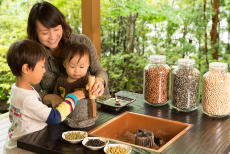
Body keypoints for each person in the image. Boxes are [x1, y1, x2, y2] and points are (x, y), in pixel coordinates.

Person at [3, 39, 85, 154]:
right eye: (41, 66)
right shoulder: (26, 98)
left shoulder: (18, 89)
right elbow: (55, 117)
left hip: (19, 143)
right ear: (26, 69)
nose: (44, 70)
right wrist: (72, 98)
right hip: (24, 149)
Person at [27, 1, 109, 108]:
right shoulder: (32, 55)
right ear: (35, 33)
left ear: (62, 25)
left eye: (56, 29)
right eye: (45, 33)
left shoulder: (82, 41)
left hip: (96, 106)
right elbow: (31, 92)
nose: (52, 37)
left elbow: (99, 71)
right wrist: (52, 98)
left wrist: (99, 81)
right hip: (61, 112)